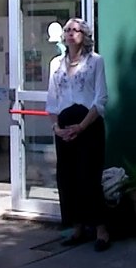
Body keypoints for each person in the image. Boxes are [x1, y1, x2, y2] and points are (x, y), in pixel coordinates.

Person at [47, 18, 110, 252]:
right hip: (64, 125)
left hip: (88, 124)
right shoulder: (55, 63)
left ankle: (101, 229)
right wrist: (57, 128)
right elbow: (52, 100)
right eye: (67, 30)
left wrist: (82, 127)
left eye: (76, 30)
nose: (70, 33)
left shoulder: (95, 62)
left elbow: (101, 98)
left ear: (85, 35)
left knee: (89, 177)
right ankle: (77, 227)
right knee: (67, 177)